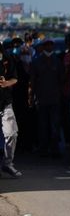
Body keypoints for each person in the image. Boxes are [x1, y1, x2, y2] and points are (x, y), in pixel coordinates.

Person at [30, 39, 63, 157]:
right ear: (43, 47)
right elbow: (32, 81)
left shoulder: (57, 61)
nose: (49, 47)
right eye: (47, 45)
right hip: (42, 97)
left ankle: (54, 148)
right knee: (43, 124)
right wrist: (32, 96)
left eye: (51, 45)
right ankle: (43, 148)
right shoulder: (37, 61)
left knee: (55, 124)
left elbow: (61, 79)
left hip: (54, 97)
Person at [0, 46, 21, 177]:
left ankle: (7, 164)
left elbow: (15, 78)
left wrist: (7, 83)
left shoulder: (7, 58)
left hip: (5, 102)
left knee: (12, 133)